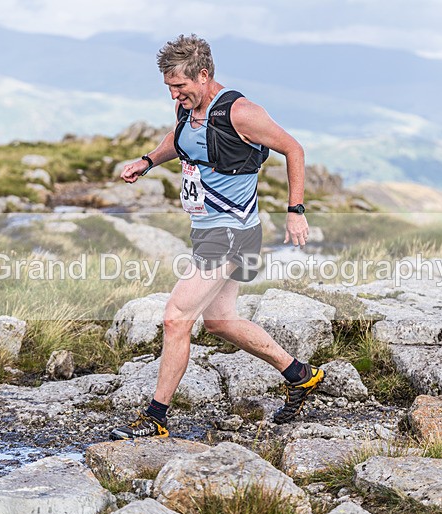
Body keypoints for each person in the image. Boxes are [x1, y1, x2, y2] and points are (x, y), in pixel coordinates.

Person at [110, 34, 325, 440]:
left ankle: (156, 417)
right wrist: (148, 161)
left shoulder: (242, 113)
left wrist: (295, 210)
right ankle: (300, 374)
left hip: (231, 233)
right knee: (221, 321)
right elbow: (180, 139)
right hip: (208, 230)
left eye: (180, 86)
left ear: (204, 75)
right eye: (170, 87)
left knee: (176, 318)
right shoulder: (185, 106)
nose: (175, 94)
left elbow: (294, 149)